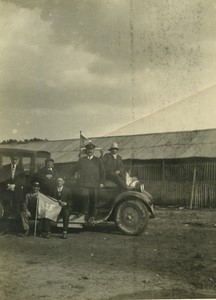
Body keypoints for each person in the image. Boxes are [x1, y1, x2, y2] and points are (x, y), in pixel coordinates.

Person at [73, 142, 105, 223]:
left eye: (91, 149)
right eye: (88, 149)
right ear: (86, 150)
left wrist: (102, 182)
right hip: (84, 183)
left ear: (94, 150)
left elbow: (102, 172)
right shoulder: (81, 160)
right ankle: (83, 213)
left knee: (93, 200)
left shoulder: (98, 160)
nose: (90, 151)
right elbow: (74, 169)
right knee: (84, 197)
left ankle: (92, 216)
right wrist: (74, 175)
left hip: (94, 183)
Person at [0, 154, 25, 230]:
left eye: (16, 159)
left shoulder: (21, 169)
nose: (14, 161)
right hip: (7, 191)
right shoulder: (5, 168)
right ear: (10, 159)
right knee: (6, 210)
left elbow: (23, 180)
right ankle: (5, 229)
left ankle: (17, 229)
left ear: (18, 160)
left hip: (17, 192)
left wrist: (14, 185)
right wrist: (8, 185)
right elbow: (2, 178)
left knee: (17, 209)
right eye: (13, 159)